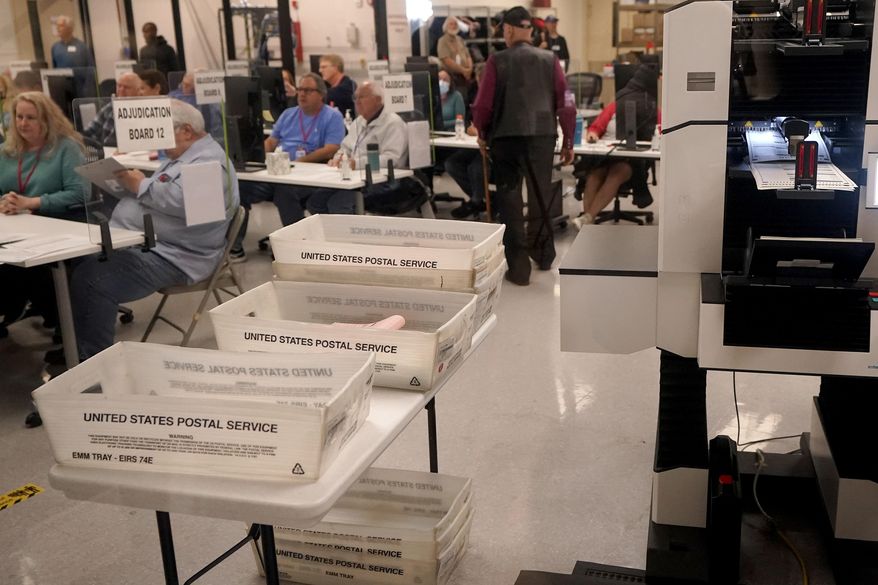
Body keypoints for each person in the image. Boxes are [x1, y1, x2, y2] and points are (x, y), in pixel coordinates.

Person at [67, 99, 240, 361]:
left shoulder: (210, 163)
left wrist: (140, 185)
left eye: (162, 131)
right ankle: (72, 348)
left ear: (186, 131)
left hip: (177, 256)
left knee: (94, 280)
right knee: (71, 265)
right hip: (149, 244)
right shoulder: (185, 155)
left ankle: (92, 366)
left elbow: (193, 208)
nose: (158, 140)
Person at [471, 6, 574, 286]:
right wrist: (568, 138)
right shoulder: (550, 59)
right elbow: (565, 102)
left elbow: (483, 105)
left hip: (506, 139)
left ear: (508, 30)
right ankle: (544, 255)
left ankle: (519, 270)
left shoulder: (497, 60)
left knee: (511, 201)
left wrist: (481, 132)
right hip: (542, 136)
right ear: (530, 30)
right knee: (541, 195)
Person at [0, 92, 87, 338]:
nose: (23, 123)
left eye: (31, 117)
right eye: (18, 117)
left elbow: (80, 193)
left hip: (60, 225)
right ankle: (15, 308)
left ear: (47, 120)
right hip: (17, 226)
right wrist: (4, 203)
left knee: (34, 271)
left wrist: (32, 202)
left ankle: (66, 329)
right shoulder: (6, 151)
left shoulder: (65, 148)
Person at [231, 73, 344, 260]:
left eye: (308, 90)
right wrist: (259, 154)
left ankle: (297, 247)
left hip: (310, 175)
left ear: (321, 94)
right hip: (278, 171)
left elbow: (331, 148)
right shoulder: (288, 114)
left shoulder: (332, 116)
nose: (301, 94)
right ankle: (235, 247)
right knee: (239, 189)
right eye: (300, 90)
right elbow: (271, 142)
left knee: (285, 192)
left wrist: (298, 163)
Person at [572, 66, 660, 228]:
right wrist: (592, 134)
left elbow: (660, 132)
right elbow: (595, 128)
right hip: (606, 157)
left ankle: (588, 219)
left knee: (617, 172)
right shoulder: (614, 106)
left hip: (633, 163)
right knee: (594, 176)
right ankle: (588, 221)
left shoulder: (652, 110)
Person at [311, 81, 409, 216]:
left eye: (362, 97)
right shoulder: (359, 121)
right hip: (353, 177)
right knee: (316, 201)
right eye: (355, 97)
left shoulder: (393, 123)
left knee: (338, 203)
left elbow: (392, 159)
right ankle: (329, 234)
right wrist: (338, 158)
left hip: (382, 180)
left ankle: (346, 236)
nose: (357, 101)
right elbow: (345, 147)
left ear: (378, 100)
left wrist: (356, 164)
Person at [80, 72, 142, 147]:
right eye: (119, 86)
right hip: (101, 151)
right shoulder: (110, 107)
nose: (121, 90)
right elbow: (90, 131)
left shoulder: (143, 112)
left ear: (138, 90)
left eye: (127, 87)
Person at [437, 17, 474, 96]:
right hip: (451, 78)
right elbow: (446, 60)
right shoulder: (442, 41)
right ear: (446, 27)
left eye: (456, 24)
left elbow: (468, 55)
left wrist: (470, 69)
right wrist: (464, 70)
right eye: (451, 24)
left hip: (464, 78)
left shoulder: (460, 39)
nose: (454, 26)